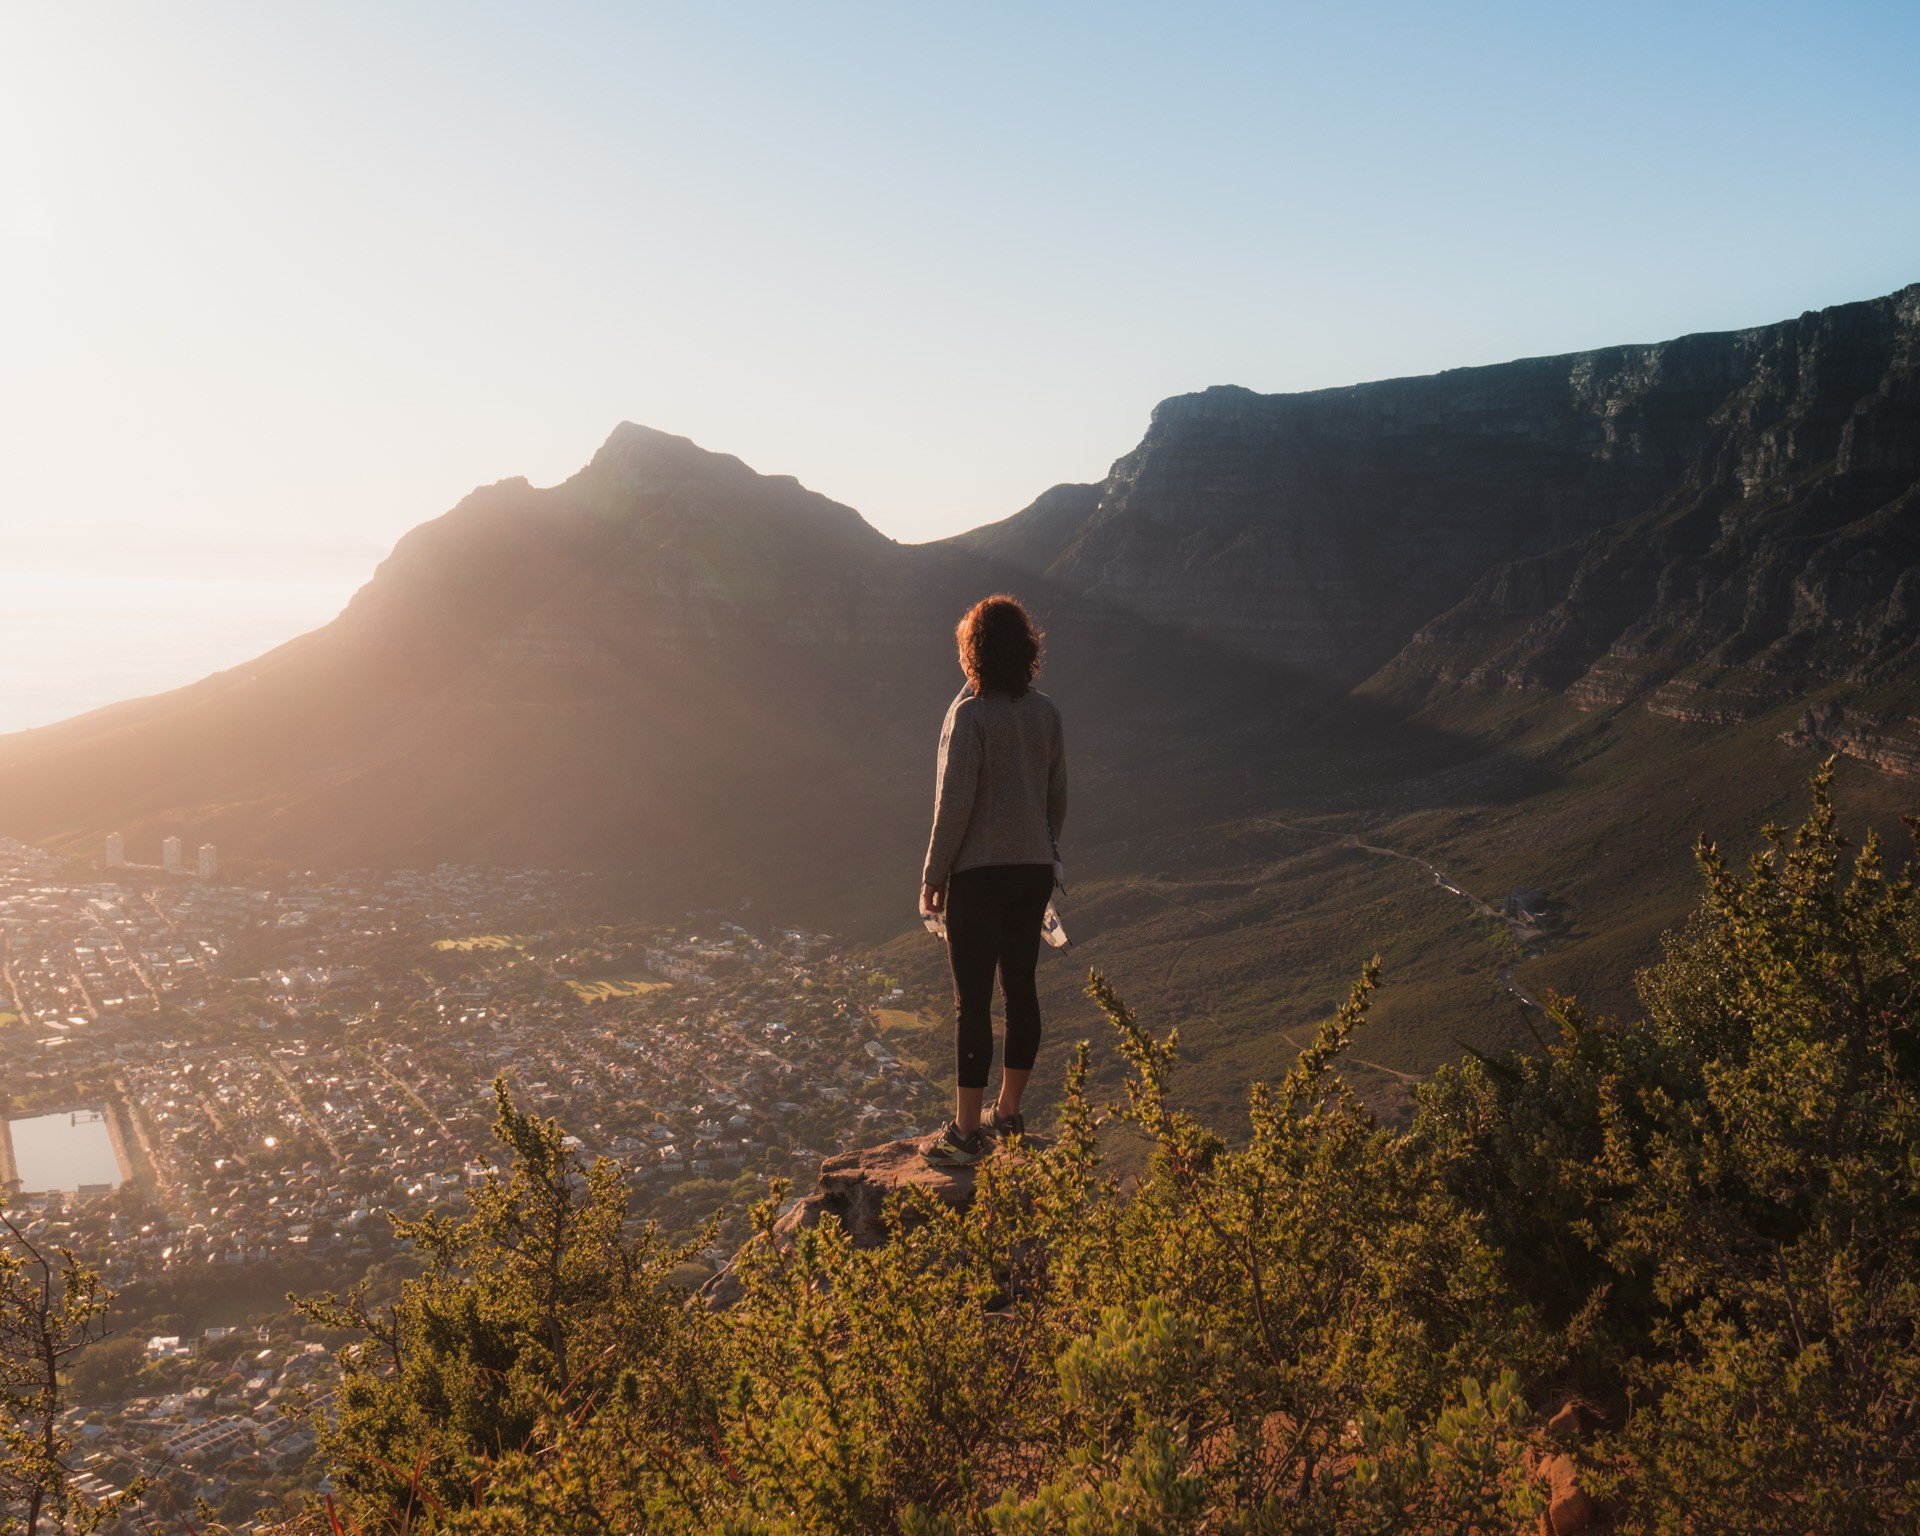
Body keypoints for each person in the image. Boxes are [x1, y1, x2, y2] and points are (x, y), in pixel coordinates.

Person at [919, 594, 1067, 1167]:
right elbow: (1058, 797)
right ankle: (1008, 1112)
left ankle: (964, 1133)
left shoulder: (971, 716)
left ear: (973, 651)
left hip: (978, 874)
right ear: (1026, 649)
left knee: (974, 1002)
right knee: (1022, 989)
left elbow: (954, 806)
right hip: (1033, 871)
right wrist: (1037, 845)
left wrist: (934, 875)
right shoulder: (1046, 713)